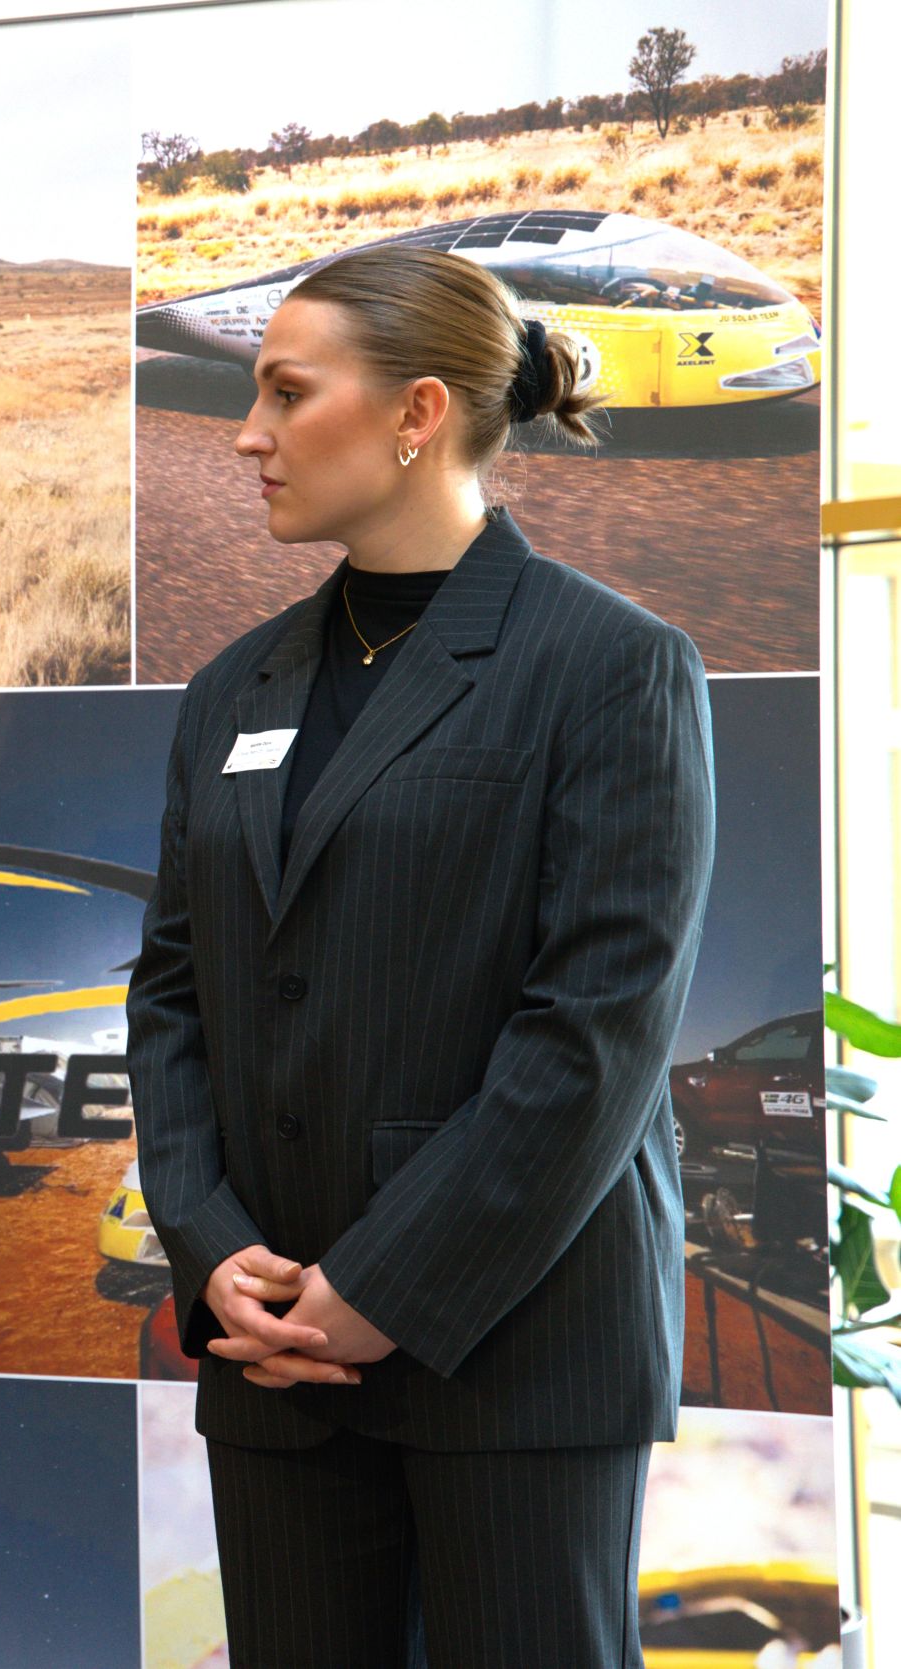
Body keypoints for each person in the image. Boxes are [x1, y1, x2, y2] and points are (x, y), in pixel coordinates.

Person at [129, 245, 715, 1667]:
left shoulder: (609, 664)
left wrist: (386, 1287)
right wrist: (213, 1251)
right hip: (273, 1345)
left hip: (513, 1344)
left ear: (417, 414)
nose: (248, 434)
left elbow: (596, 1032)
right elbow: (173, 990)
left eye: (284, 392)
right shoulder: (232, 688)